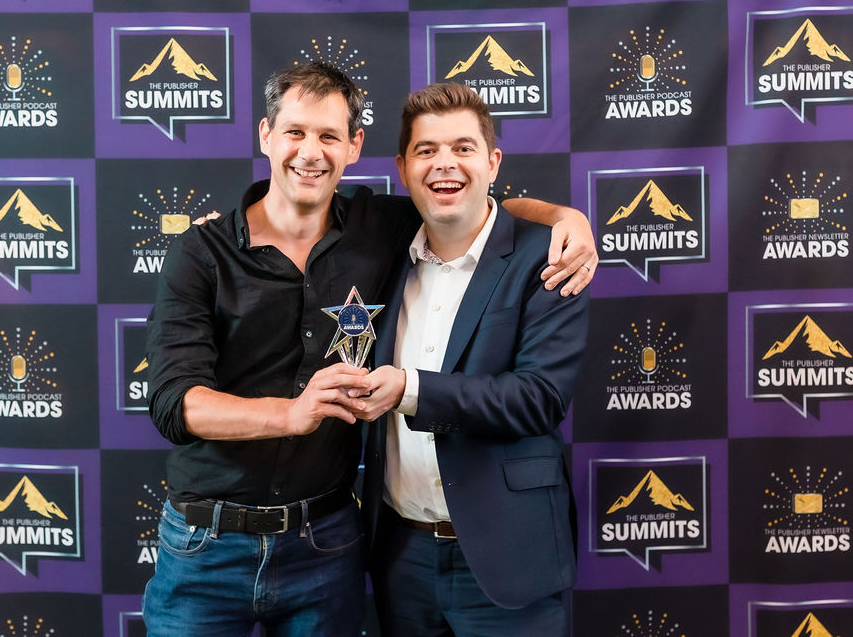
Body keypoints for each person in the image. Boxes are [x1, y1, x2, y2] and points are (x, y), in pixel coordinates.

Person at [144, 62, 594, 636]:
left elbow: (483, 204)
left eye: (329, 135)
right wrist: (291, 413)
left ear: (354, 146)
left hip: (328, 544)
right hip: (207, 544)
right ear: (266, 135)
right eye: (295, 132)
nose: (311, 152)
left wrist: (567, 218)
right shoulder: (202, 251)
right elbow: (172, 404)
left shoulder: (384, 226)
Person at [356, 83, 589, 636]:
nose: (445, 164)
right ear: (402, 168)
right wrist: (221, 233)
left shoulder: (548, 256)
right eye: (426, 150)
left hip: (510, 556)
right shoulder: (380, 251)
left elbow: (539, 399)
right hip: (400, 555)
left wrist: (409, 388)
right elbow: (296, 209)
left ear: (492, 161)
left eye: (463, 147)